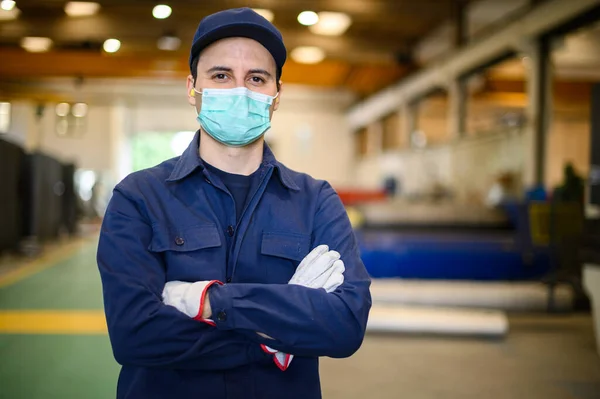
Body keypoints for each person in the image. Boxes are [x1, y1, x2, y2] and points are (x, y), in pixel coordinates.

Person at [97, 7, 372, 399]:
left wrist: (212, 301)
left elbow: (345, 325)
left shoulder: (316, 202)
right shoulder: (138, 197)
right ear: (192, 87)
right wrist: (270, 340)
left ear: (276, 96)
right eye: (221, 75)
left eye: (256, 78)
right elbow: (135, 335)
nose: (239, 91)